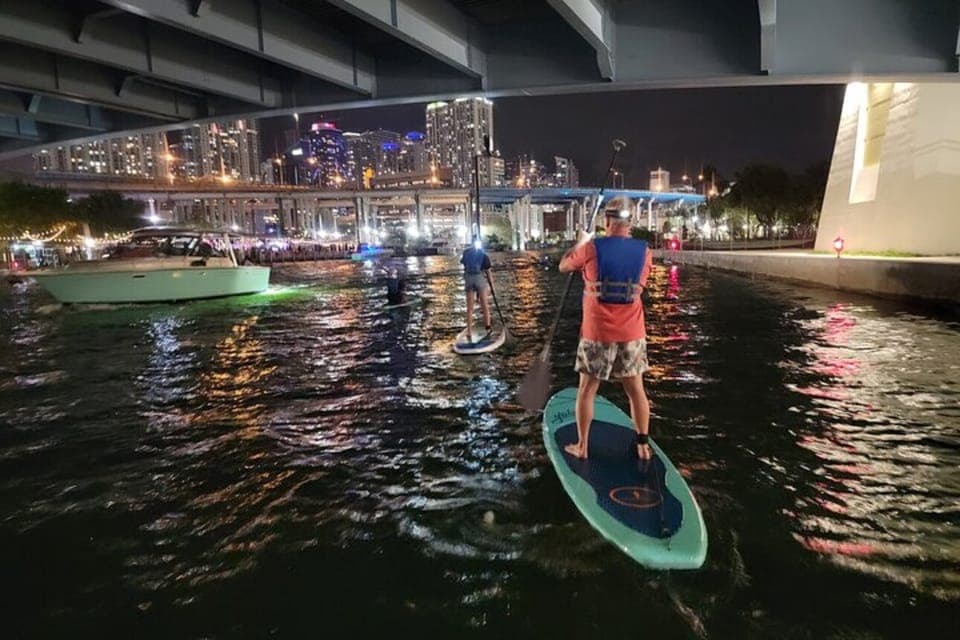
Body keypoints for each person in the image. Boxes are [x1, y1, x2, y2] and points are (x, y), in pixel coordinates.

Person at [558, 196, 654, 461]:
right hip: (632, 333)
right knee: (636, 390)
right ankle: (643, 446)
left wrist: (581, 241)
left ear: (607, 221)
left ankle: (583, 446)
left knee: (587, 390)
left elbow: (564, 265)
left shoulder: (591, 248)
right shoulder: (645, 251)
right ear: (630, 222)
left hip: (596, 333)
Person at [460, 239, 492, 342]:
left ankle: (469, 331)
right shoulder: (483, 255)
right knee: (484, 306)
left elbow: (464, 266)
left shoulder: (466, 253)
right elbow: (488, 272)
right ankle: (487, 328)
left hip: (469, 279)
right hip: (479, 279)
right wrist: (492, 286)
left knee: (470, 308)